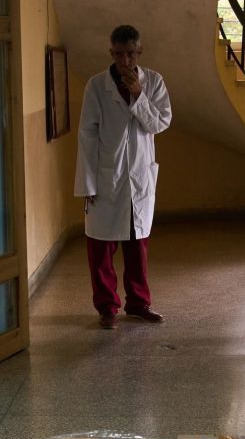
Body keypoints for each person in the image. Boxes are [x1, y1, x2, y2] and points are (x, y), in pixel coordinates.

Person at [74, 24, 173, 329]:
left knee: (137, 245)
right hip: (106, 176)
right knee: (101, 247)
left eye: (130, 53)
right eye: (118, 54)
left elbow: (159, 124)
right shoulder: (96, 85)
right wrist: (87, 182)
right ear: (111, 52)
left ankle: (139, 303)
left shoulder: (153, 82)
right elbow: (87, 135)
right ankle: (106, 307)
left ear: (139, 52)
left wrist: (138, 94)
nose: (125, 60)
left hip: (139, 175)